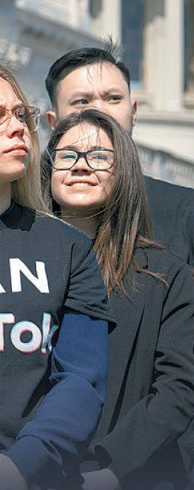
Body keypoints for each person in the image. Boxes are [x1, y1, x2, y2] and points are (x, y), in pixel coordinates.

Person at [42, 107, 194, 490]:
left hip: (127, 473)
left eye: (99, 156)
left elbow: (179, 387)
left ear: (124, 172)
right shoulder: (20, 263)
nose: (81, 165)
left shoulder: (164, 274)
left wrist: (113, 469)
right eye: (67, 155)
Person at [0, 64, 111, 490]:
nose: (18, 128)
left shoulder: (66, 248)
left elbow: (82, 381)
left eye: (21, 115)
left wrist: (20, 466)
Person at [45, 45, 194, 262]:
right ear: (54, 121)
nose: (100, 111)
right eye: (81, 102)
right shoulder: (29, 213)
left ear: (133, 112)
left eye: (114, 98)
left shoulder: (185, 210)